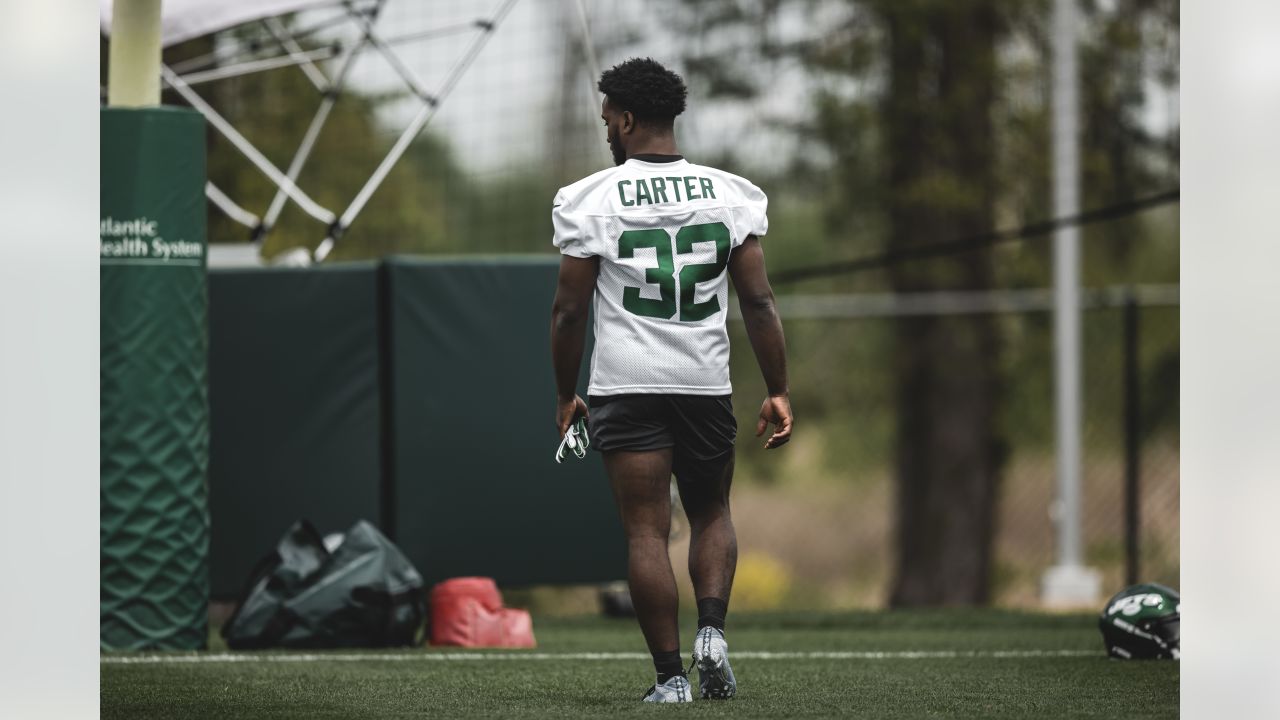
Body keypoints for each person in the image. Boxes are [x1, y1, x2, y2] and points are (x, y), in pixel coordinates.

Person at [549, 57, 792, 703]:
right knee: (712, 510)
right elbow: (760, 302)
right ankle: (711, 633)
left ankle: (671, 679)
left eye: (607, 119)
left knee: (646, 530)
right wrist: (778, 388)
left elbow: (569, 310)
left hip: (626, 382)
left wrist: (564, 394)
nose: (606, 130)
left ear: (625, 118)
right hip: (703, 379)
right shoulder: (732, 192)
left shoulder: (587, 198)